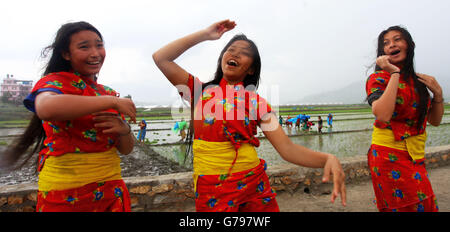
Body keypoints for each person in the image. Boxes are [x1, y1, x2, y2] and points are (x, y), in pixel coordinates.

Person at [153, 19, 346, 212]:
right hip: (211, 192)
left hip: (254, 189)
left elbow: (287, 148)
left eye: (244, 53)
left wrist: (327, 158)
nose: (235, 53)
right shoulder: (198, 92)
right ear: (222, 58)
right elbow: (161, 58)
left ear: (251, 68)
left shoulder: (257, 103)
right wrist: (205, 34)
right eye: (230, 49)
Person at [1, 21, 136, 212]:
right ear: (66, 54)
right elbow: (46, 108)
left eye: (99, 45)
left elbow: (126, 149)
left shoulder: (106, 92)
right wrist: (111, 102)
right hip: (65, 194)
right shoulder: (53, 84)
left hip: (110, 191)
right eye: (84, 47)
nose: (95, 53)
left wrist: (125, 130)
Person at [365, 25, 443, 212]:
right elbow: (383, 115)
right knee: (405, 206)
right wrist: (394, 74)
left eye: (397, 39)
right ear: (382, 52)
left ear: (410, 45)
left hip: (416, 156)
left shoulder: (418, 82)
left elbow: (435, 120)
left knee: (424, 203)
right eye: (386, 43)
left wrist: (438, 94)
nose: (391, 45)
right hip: (388, 154)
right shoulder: (378, 78)